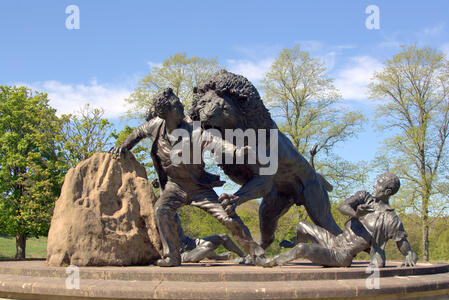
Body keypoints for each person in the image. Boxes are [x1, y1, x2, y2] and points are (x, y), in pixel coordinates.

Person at [110, 88, 265, 267]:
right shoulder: (156, 125)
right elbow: (137, 133)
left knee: (228, 217)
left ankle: (256, 254)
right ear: (166, 113)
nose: (182, 105)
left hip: (199, 188)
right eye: (177, 105)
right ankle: (172, 256)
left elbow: (217, 143)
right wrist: (124, 146)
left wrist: (239, 151)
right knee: (161, 210)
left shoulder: (194, 131)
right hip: (174, 187)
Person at [264, 173, 417, 268]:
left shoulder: (390, 219)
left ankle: (272, 262)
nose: (374, 185)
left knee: (303, 249)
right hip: (335, 241)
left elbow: (401, 241)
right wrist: (356, 213)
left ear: (387, 192)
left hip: (342, 256)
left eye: (378, 184)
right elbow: (342, 206)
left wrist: (409, 254)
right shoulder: (365, 197)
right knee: (301, 225)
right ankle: (293, 247)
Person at [173, 213, 246, 263]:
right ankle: (217, 257)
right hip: (182, 254)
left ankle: (244, 256)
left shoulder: (174, 210)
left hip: (191, 242)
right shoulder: (163, 217)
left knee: (224, 237)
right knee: (207, 246)